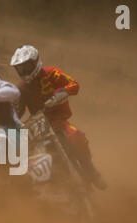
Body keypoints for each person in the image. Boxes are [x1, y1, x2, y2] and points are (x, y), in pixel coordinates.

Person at [10, 44, 107, 190]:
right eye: (20, 68)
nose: (23, 71)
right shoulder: (21, 87)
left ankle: (91, 172)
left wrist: (62, 92)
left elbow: (74, 84)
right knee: (37, 157)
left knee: (76, 137)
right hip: (40, 126)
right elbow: (19, 111)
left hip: (59, 121)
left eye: (26, 67)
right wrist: (11, 116)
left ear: (35, 62)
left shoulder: (51, 73)